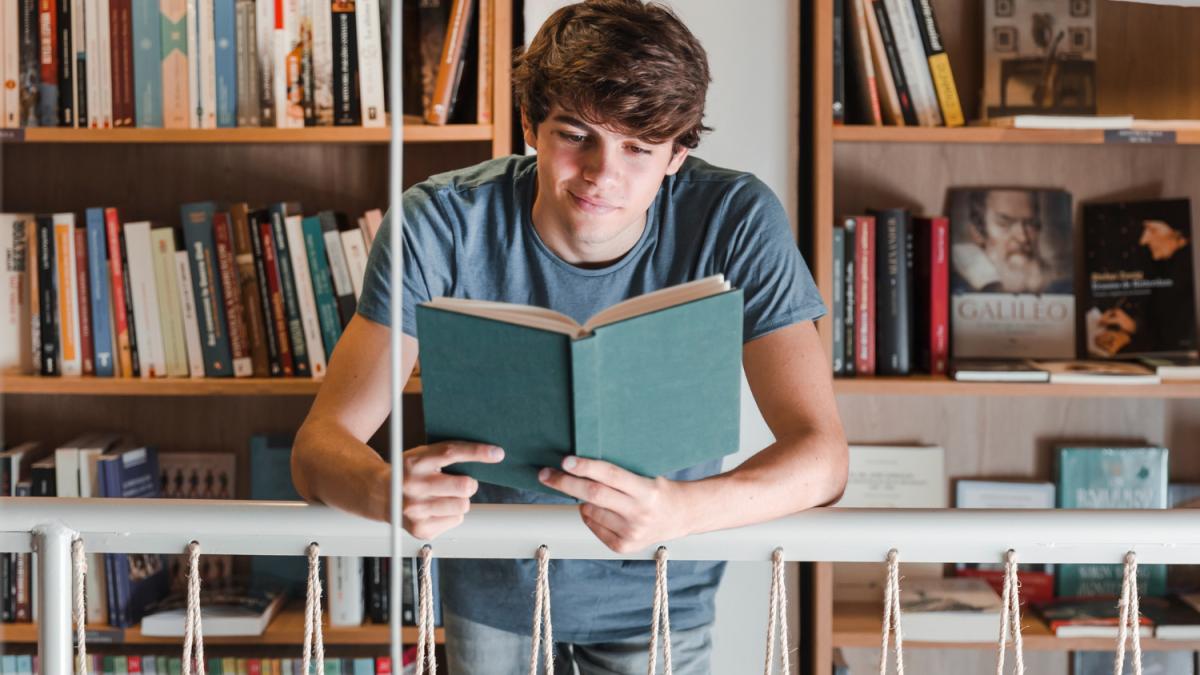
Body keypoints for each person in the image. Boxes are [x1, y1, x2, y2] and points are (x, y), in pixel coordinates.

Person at [290, 1, 848, 672]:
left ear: (678, 154)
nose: (600, 173)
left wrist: (682, 508)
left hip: (664, 591)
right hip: (492, 593)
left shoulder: (736, 217)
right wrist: (383, 489)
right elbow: (317, 448)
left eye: (639, 148)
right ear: (530, 124)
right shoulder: (439, 221)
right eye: (575, 133)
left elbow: (824, 460)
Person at [952, 189, 1070, 295]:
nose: (1023, 237)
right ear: (977, 233)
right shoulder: (957, 287)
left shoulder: (1063, 287)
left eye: (1030, 223)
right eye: (1005, 224)